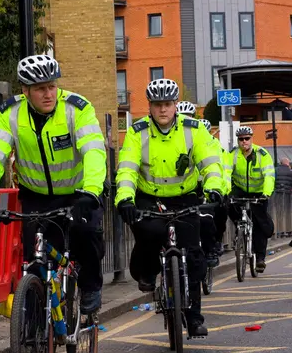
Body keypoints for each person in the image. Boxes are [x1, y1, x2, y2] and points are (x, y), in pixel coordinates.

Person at [0, 54, 107, 315]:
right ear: (25, 91)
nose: (48, 94)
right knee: (34, 260)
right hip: (36, 196)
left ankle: (90, 286)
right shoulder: (10, 114)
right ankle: (33, 334)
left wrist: (91, 191)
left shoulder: (76, 109)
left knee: (85, 233)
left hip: (80, 194)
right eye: (40, 89)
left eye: (52, 86)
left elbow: (94, 152)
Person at [115, 78, 224, 337]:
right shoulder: (136, 131)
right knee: (149, 233)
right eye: (157, 104)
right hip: (148, 198)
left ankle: (194, 318)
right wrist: (125, 198)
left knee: (194, 257)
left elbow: (211, 162)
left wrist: (215, 187)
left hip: (184, 198)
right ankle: (148, 272)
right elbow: (128, 168)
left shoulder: (193, 129)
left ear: (175, 105)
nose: (162, 109)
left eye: (167, 104)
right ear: (150, 107)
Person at [225, 126, 275, 272]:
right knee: (227, 204)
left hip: (259, 192)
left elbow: (269, 176)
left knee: (259, 226)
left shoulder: (262, 154)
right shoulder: (232, 154)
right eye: (241, 139)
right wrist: (226, 191)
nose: (244, 142)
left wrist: (266, 193)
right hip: (240, 189)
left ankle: (260, 259)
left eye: (247, 139)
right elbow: (226, 174)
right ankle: (239, 228)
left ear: (251, 139)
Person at [199, 119, 229, 265]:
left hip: (215, 186)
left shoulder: (215, 146)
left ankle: (216, 242)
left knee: (220, 213)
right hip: (194, 188)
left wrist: (221, 190)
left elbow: (222, 171)